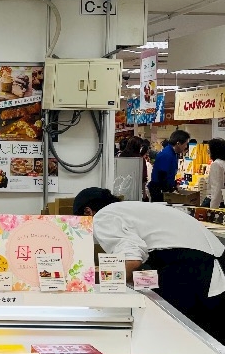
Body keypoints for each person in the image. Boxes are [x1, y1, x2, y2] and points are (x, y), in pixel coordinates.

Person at [73, 187, 225, 341]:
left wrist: (97, 283)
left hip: (194, 269)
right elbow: (149, 272)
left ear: (87, 212)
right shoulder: (128, 210)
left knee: (189, 338)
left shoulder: (101, 217)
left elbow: (132, 260)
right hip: (200, 265)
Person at [149, 129, 190, 202]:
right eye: (185, 144)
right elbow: (162, 176)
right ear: (178, 143)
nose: (186, 146)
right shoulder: (167, 155)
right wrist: (171, 189)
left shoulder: (173, 153)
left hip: (164, 189)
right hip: (159, 191)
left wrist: (174, 184)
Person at [206, 138, 225, 210]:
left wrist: (213, 209)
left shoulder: (216, 164)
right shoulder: (223, 163)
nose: (208, 151)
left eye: (209, 149)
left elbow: (216, 188)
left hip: (217, 202)